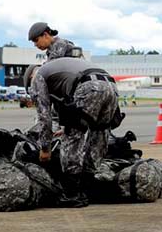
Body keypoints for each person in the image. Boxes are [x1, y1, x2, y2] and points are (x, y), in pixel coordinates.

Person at [25, 58, 120, 207]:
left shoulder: (38, 78)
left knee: (73, 136)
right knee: (99, 134)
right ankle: (87, 187)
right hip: (111, 86)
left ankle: (72, 194)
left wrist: (45, 148)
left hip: (88, 87)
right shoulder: (55, 71)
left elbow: (44, 116)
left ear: (30, 78)